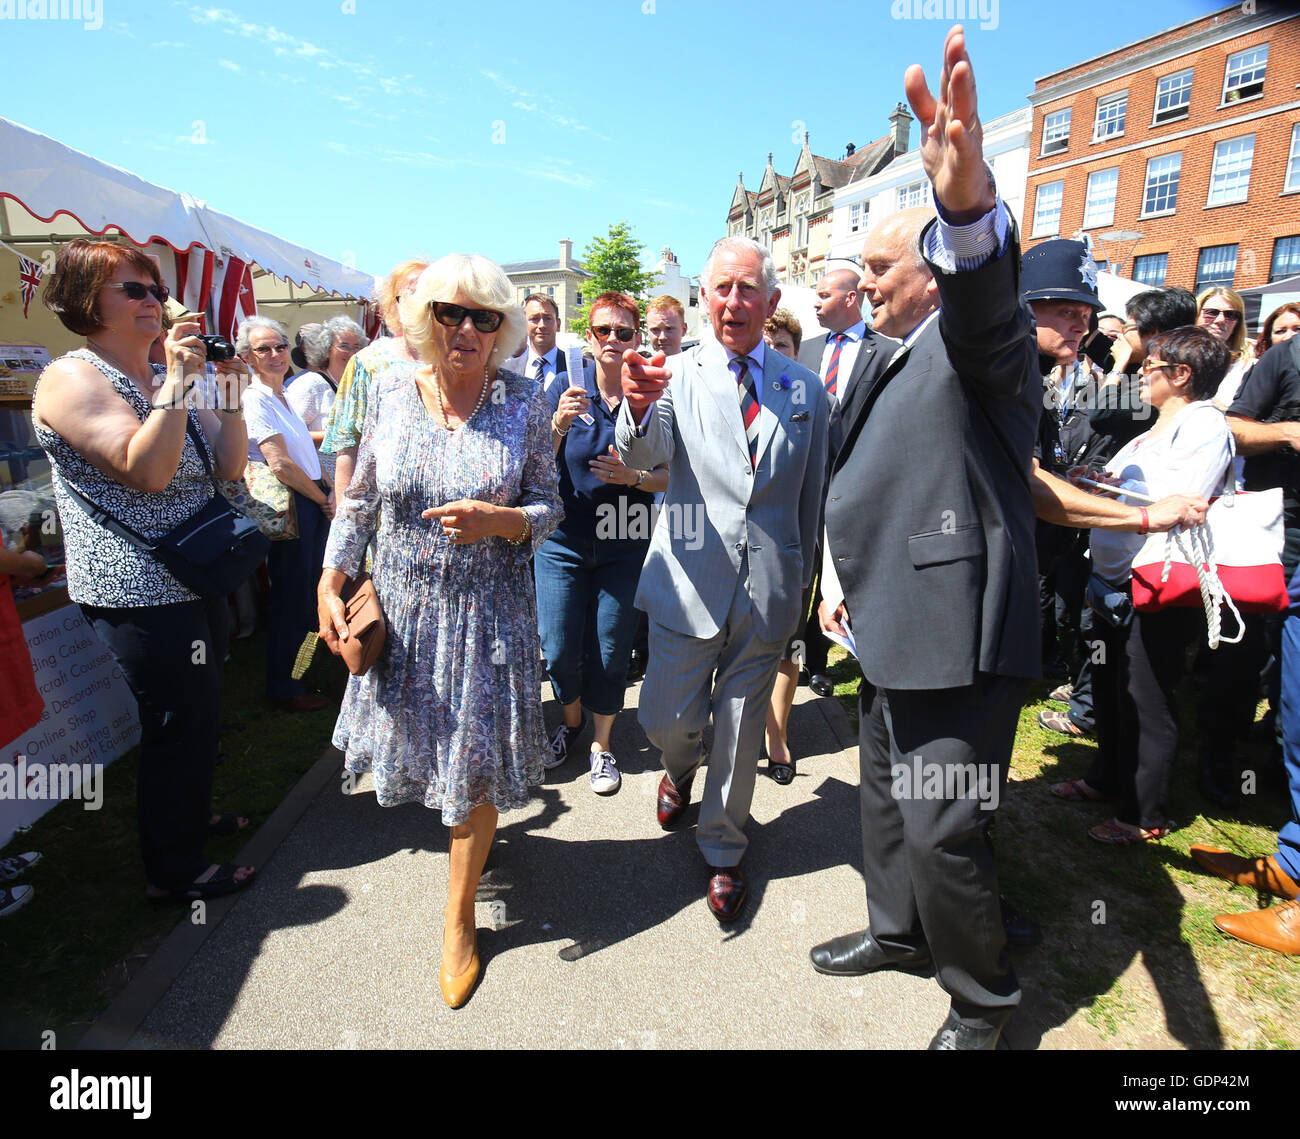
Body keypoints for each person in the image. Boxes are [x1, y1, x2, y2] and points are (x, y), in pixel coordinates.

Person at [808, 28, 1041, 1050]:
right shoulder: (882, 351)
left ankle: (983, 1002)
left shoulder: (977, 341)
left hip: (958, 634)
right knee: (887, 799)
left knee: (948, 823)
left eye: (875, 268)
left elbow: (988, 299)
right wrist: (837, 579)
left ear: (933, 271)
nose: (859, 286)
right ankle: (896, 930)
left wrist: (964, 211)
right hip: (883, 623)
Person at [317, 254, 561, 1008]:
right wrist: (331, 574)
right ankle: (472, 860)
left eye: (483, 317)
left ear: (503, 330)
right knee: (429, 755)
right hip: (407, 612)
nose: (464, 329)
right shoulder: (390, 391)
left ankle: (458, 918)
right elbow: (358, 501)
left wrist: (505, 520)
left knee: (474, 766)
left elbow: (551, 504)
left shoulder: (524, 404)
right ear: (424, 320)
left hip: (489, 617)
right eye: (449, 313)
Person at [33, 238, 255, 901]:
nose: (155, 302)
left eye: (156, 290)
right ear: (82, 300)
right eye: (134, 290)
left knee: (202, 710)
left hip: (191, 575)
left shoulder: (159, 375)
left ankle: (193, 817)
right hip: (140, 587)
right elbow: (148, 471)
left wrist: (234, 389)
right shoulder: (72, 378)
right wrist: (182, 381)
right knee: (175, 722)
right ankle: (174, 870)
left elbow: (230, 465)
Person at [617, 236, 830, 923]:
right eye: (721, 288)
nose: (734, 301)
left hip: (769, 587)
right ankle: (678, 770)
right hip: (688, 579)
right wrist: (640, 407)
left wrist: (809, 584)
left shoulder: (805, 390)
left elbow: (811, 497)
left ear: (771, 302)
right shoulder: (672, 373)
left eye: (748, 290)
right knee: (667, 719)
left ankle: (722, 846)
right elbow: (643, 452)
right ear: (702, 298)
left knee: (739, 726)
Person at [1052, 327, 1232, 845]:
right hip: (1112, 579)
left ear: (1182, 375)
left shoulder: (1204, 425)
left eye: (1151, 366)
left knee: (1147, 698)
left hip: (1156, 583)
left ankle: (1143, 812)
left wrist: (1114, 492)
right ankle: (1105, 777)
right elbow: (1129, 489)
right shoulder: (1151, 427)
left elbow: (1182, 502)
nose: (1142, 373)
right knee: (1111, 687)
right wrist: (1095, 484)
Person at [536, 292, 667, 794]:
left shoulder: (650, 395)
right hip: (564, 540)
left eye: (624, 331)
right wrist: (556, 427)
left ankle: (602, 745)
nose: (613, 339)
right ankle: (571, 723)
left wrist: (633, 478)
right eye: (602, 331)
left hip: (626, 540)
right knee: (559, 645)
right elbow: (532, 467)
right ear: (588, 337)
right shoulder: (562, 390)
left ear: (638, 337)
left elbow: (670, 475)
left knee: (612, 651)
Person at [797, 261, 896, 697]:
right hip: (805, 479)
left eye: (823, 295)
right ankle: (802, 654)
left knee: (846, 570)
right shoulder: (807, 351)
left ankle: (836, 657)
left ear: (850, 298)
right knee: (806, 571)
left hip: (856, 482)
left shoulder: (888, 351)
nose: (815, 303)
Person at [237, 315, 335, 713]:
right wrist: (320, 497)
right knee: (293, 599)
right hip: (295, 507)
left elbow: (303, 454)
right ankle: (286, 685)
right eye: (264, 349)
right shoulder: (254, 397)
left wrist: (327, 490)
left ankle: (303, 672)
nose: (275, 354)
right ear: (247, 357)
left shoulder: (281, 396)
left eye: (279, 346)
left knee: (309, 593)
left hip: (310, 501)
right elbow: (279, 463)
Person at [321, 260, 428, 500]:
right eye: (408, 296)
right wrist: (344, 515)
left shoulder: (456, 360)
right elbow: (348, 445)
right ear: (393, 303)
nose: (418, 304)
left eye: (427, 296)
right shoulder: (368, 362)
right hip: (382, 503)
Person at [1196, 287, 1253, 409]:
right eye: (1211, 312)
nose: (1221, 320)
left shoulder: (1246, 367)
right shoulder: (1173, 358)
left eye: (1230, 315)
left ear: (1237, 324)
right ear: (1196, 316)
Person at [503, 293, 567, 392]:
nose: (542, 325)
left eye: (547, 318)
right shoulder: (506, 370)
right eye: (535, 319)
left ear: (558, 325)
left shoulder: (579, 368)